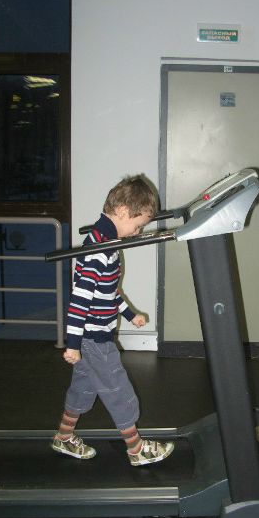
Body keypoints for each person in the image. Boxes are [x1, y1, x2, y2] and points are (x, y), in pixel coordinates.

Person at [51, 174, 174, 466]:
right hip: (94, 338)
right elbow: (79, 301)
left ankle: (64, 436)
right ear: (121, 211)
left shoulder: (107, 243)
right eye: (138, 225)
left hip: (92, 335)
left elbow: (107, 293)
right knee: (119, 389)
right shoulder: (98, 251)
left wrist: (130, 314)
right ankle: (136, 448)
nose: (137, 231)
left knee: (83, 388)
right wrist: (72, 344)